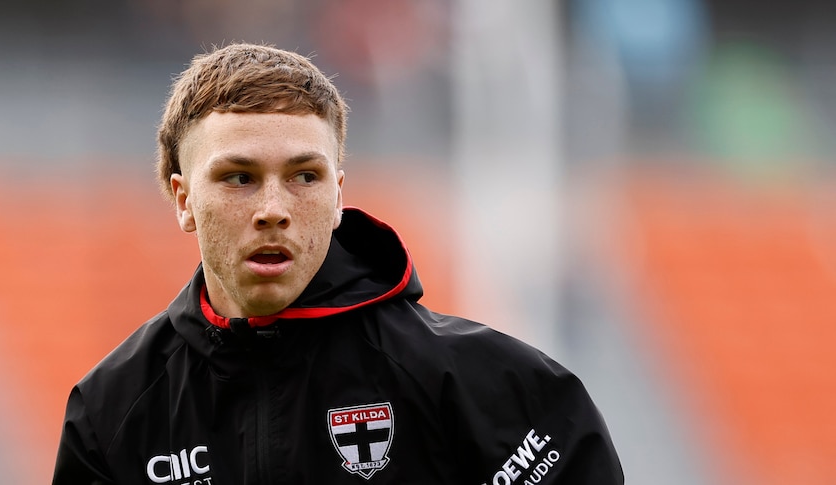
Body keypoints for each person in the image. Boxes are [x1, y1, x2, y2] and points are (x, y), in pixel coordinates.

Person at [52, 42, 624, 484]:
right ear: (184, 201)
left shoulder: (493, 387)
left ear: (337, 199)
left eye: (304, 176)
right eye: (239, 178)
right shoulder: (112, 411)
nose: (273, 210)